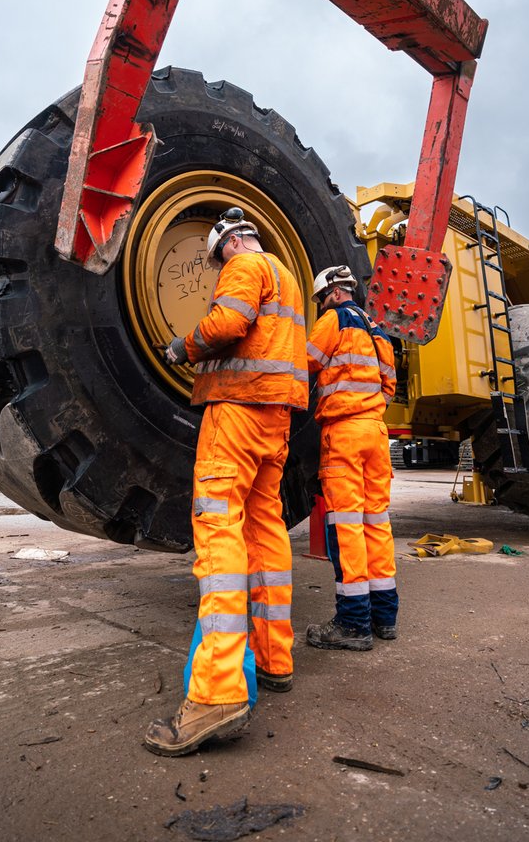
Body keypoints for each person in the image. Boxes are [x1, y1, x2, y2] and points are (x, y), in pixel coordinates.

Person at [144, 207, 308, 757]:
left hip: (236, 411)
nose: (217, 268)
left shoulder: (245, 266)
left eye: (216, 258)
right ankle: (274, 658)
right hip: (276, 418)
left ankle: (217, 693)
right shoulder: (287, 277)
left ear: (231, 242)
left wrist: (183, 347)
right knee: (266, 531)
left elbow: (227, 325)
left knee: (218, 531)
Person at [305, 265, 398, 651]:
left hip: (344, 433)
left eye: (321, 299)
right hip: (375, 432)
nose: (321, 305)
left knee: (346, 528)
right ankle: (384, 618)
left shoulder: (333, 320)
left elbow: (304, 361)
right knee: (376, 523)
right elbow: (389, 384)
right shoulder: (378, 331)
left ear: (332, 292)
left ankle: (354, 624)